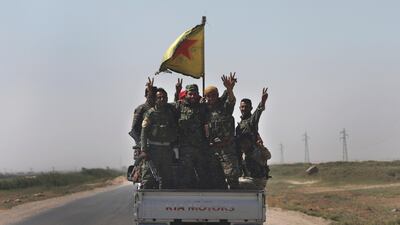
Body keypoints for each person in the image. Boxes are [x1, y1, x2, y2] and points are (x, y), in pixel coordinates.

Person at [174, 83, 226, 189]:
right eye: (190, 94)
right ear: (186, 94)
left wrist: (228, 89)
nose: (192, 96)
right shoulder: (179, 106)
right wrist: (177, 92)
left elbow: (219, 101)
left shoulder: (202, 107)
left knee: (203, 176)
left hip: (200, 148)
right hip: (185, 149)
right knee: (186, 176)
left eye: (195, 94)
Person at [204, 73, 241, 189]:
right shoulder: (204, 111)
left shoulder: (225, 108)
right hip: (212, 150)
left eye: (213, 95)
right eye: (208, 96)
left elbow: (231, 100)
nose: (211, 98)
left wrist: (229, 89)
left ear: (217, 96)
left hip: (227, 149)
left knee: (232, 177)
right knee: (215, 178)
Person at [139, 88, 178, 189]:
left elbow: (174, 128)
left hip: (167, 149)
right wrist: (143, 149)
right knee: (148, 177)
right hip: (153, 149)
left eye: (164, 97)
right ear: (155, 99)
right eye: (159, 97)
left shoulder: (170, 113)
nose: (162, 99)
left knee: (167, 178)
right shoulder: (150, 113)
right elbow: (144, 132)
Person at [235, 88, 271, 189]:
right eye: (242, 107)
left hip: (253, 158)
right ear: (239, 108)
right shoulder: (240, 125)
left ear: (251, 108)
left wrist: (262, 102)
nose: (244, 109)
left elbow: (257, 114)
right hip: (244, 158)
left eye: (246, 107)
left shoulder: (251, 121)